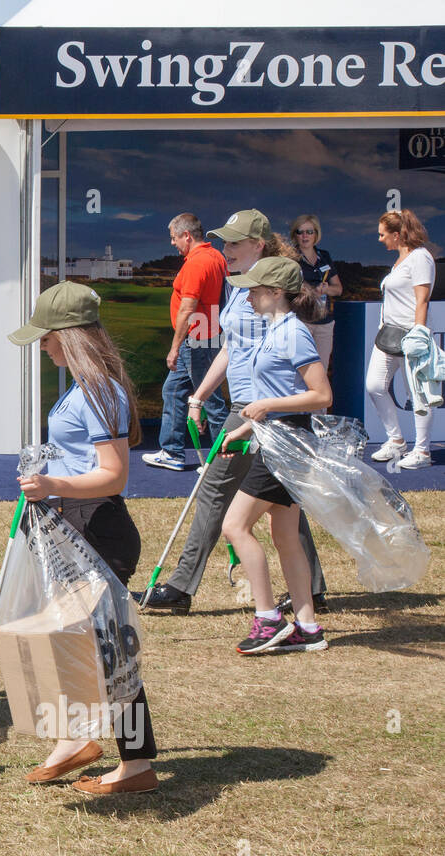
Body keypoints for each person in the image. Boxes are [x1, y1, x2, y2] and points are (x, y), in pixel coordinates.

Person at [10, 281, 158, 794]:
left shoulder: (98, 390)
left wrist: (53, 484)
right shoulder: (83, 387)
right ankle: (74, 740)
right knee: (73, 639)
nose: (42, 345)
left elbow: (113, 475)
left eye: (47, 336)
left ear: (70, 335)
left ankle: (135, 765)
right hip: (73, 524)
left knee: (109, 651)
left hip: (96, 527)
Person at [140, 210, 327, 615]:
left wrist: (260, 410)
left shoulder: (269, 289)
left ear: (258, 245)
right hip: (248, 406)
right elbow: (231, 347)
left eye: (234, 242)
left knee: (216, 490)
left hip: (258, 409)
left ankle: (181, 586)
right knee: (280, 498)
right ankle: (312, 589)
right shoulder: (240, 285)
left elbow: (278, 358)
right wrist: (198, 396)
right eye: (225, 241)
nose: (226, 249)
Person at [219, 258, 332, 653]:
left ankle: (268, 619)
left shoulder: (293, 333)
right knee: (284, 536)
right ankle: (308, 626)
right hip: (278, 438)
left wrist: (265, 406)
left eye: (254, 290)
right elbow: (282, 395)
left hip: (288, 443)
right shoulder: (277, 330)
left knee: (234, 526)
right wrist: (245, 428)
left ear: (276, 292)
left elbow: (321, 395)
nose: (247, 297)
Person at [143, 213, 229, 471]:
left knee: (211, 400)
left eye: (174, 237)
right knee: (172, 391)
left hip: (197, 340)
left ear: (187, 235)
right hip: (206, 336)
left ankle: (224, 463)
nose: (172, 243)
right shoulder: (215, 257)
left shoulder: (197, 263)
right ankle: (172, 452)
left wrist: (174, 348)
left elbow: (187, 308)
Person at [366, 209, 437, 470]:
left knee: (417, 395)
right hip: (388, 336)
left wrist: (418, 334)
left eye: (382, 234)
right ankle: (396, 441)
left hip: (410, 337)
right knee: (374, 386)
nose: (379, 239)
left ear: (397, 235)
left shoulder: (420, 257)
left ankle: (422, 451)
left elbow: (422, 300)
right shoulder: (400, 260)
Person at [290, 214, 342, 371]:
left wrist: (326, 289)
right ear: (295, 235)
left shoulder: (324, 256)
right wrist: (309, 291)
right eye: (300, 232)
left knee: (321, 369)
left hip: (324, 323)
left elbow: (338, 289)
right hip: (300, 322)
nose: (305, 236)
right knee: (299, 370)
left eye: (309, 232)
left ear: (316, 234)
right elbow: (286, 288)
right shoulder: (291, 258)